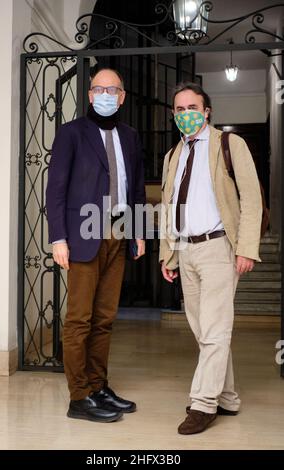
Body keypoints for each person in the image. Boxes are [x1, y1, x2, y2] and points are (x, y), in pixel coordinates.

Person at [159, 82, 262, 435]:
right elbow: (167, 207)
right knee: (206, 332)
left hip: (218, 246)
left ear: (207, 112)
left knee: (216, 329)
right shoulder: (173, 155)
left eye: (192, 108)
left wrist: (246, 247)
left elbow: (251, 198)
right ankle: (229, 397)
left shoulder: (229, 145)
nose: (185, 114)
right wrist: (168, 253)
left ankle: (203, 404)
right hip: (185, 249)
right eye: (179, 109)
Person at [46, 68, 146, 423]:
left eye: (112, 89)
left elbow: (134, 187)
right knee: (79, 321)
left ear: (121, 96)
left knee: (104, 319)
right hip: (82, 237)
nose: (105, 94)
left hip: (117, 238)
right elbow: (55, 188)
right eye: (98, 88)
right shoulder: (71, 133)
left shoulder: (130, 136)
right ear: (90, 95)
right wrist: (58, 238)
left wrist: (137, 232)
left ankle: (98, 386)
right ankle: (79, 397)